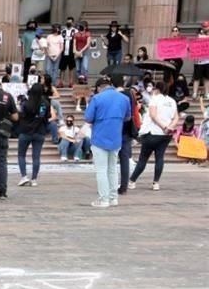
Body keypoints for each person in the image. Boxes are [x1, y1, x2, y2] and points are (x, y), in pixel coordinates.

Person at [85, 77, 131, 208]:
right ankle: (113, 197)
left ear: (99, 88)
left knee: (101, 170)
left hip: (100, 137)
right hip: (116, 137)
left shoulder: (97, 98)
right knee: (112, 169)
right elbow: (128, 117)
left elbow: (88, 118)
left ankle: (103, 199)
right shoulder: (124, 98)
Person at [129, 81, 178, 191]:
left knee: (143, 159)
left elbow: (153, 115)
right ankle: (156, 183)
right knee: (159, 157)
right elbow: (176, 118)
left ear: (157, 89)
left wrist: (163, 126)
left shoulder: (154, 99)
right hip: (166, 135)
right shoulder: (172, 101)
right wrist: (169, 127)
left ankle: (132, 181)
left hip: (153, 132)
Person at [17, 83, 51, 187]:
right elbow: (47, 117)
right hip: (39, 131)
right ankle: (34, 179)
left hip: (26, 131)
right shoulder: (45, 103)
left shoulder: (26, 103)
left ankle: (24, 176)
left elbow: (22, 115)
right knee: (36, 157)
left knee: (21, 155)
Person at [59, 17, 78, 88]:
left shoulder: (75, 31)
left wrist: (76, 51)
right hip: (64, 52)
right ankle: (61, 82)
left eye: (70, 22)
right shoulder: (63, 31)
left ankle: (71, 82)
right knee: (62, 68)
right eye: (67, 22)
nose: (68, 23)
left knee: (71, 68)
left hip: (71, 52)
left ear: (72, 23)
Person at [194, 21, 209, 101]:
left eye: (206, 26)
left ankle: (207, 93)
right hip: (199, 61)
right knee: (197, 78)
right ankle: (195, 93)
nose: (205, 28)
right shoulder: (199, 35)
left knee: (207, 78)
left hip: (207, 60)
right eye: (204, 26)